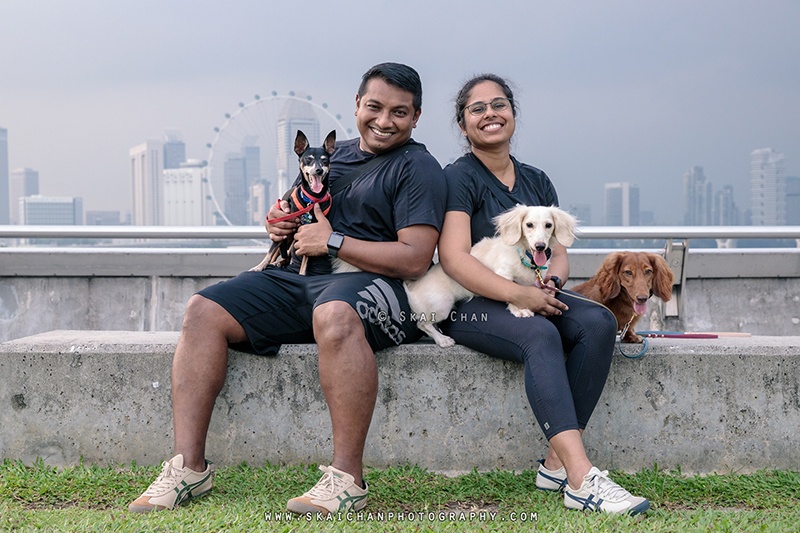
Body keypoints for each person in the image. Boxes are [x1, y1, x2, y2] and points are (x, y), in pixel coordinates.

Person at [128, 62, 446, 515]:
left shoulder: (419, 168)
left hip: (378, 290)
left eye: (399, 112)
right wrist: (280, 225)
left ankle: (346, 480)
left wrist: (332, 240)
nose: (384, 121)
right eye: (374, 107)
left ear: (416, 117)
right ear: (357, 105)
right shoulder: (328, 160)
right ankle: (188, 469)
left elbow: (415, 257)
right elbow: (296, 214)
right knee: (203, 310)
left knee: (334, 314)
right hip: (301, 279)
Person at [436, 74, 649, 515]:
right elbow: (455, 259)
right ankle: (581, 478)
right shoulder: (456, 179)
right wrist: (522, 295)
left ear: (513, 113)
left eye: (499, 104)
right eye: (477, 108)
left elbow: (559, 255)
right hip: (471, 305)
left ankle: (555, 464)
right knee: (541, 334)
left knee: (597, 321)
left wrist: (548, 285)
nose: (490, 113)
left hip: (533, 292)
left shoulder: (537, 181)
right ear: (463, 123)